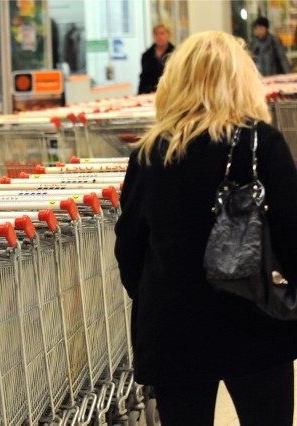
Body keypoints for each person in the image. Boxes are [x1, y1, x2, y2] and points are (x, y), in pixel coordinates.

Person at [115, 31, 297, 426]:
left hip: (174, 329)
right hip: (257, 321)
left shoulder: (150, 153)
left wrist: (157, 295)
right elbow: (292, 235)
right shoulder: (262, 145)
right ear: (242, 80)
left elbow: (129, 249)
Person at [138, 24, 175, 94]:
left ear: (168, 35)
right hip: (149, 92)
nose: (159, 36)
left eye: (162, 33)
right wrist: (141, 93)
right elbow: (144, 77)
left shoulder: (175, 54)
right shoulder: (146, 55)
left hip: (170, 92)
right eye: (156, 34)